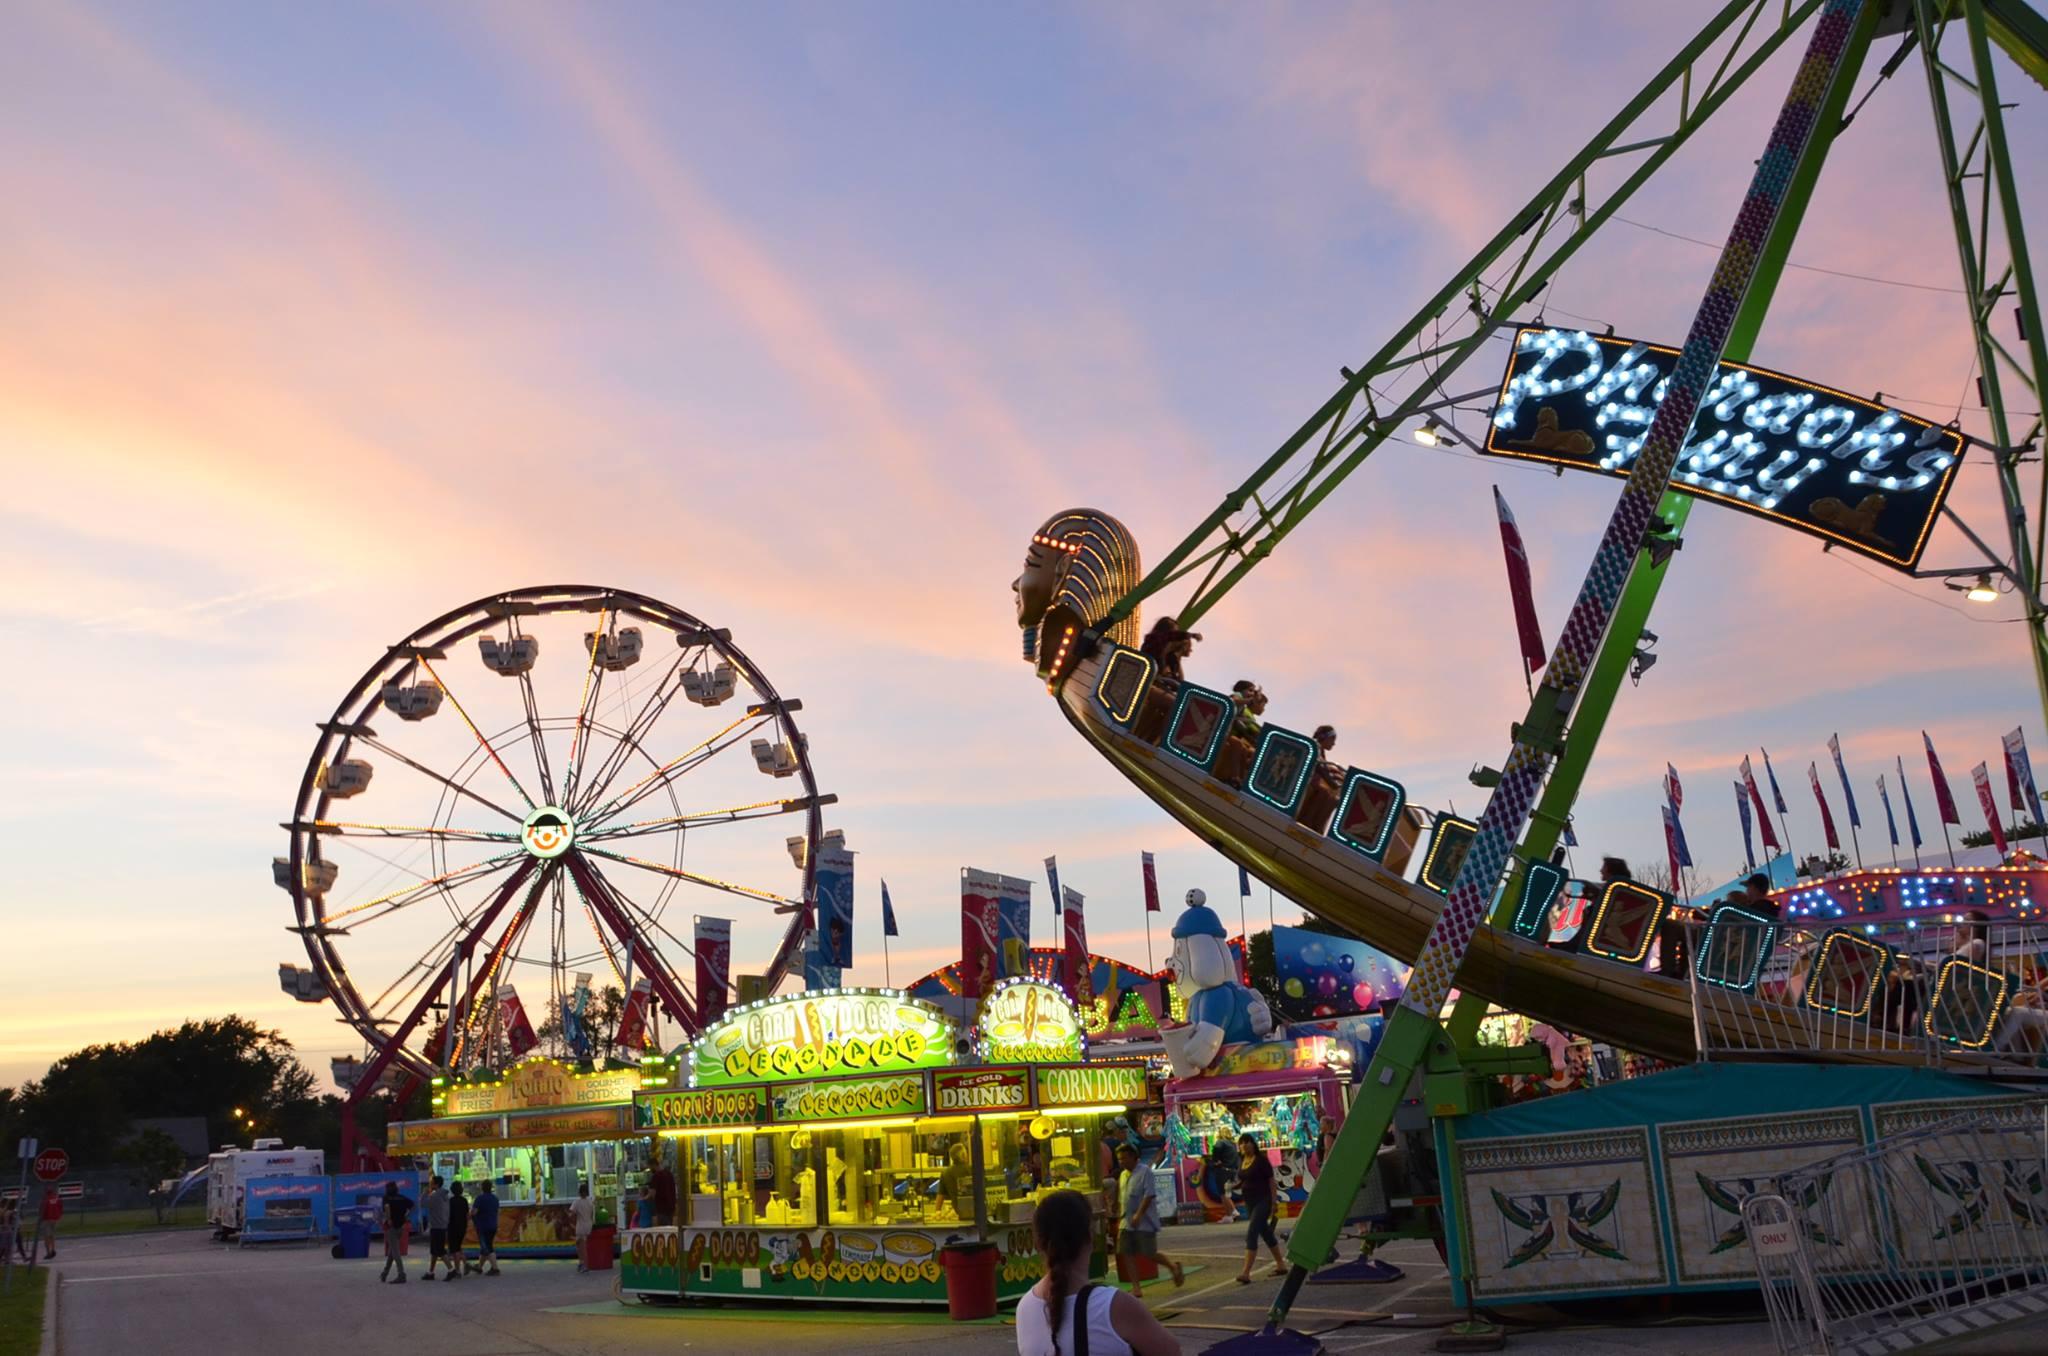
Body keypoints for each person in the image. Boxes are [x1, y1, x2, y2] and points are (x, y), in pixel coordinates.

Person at [1015, 1188, 1180, 1356]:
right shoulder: (1114, 1306)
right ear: (1090, 1237)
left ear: (1038, 1244)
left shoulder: (1025, 1308)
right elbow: (1172, 1351)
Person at [1115, 1144, 1183, 1298]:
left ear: (1133, 1157)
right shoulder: (1123, 1175)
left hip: (1144, 1221)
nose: (1121, 1162)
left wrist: (1139, 1214)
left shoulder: (1145, 1172)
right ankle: (1136, 1287)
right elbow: (1122, 1197)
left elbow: (1149, 1195)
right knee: (1126, 1253)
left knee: (1149, 1252)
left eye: (1124, 1158)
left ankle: (1172, 1266)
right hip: (1126, 1221)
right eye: (1119, 1159)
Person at [1233, 1135, 1287, 1284]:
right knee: (1266, 1232)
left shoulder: (1261, 1160)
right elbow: (1244, 1178)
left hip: (1263, 1200)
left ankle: (1246, 1272)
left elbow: (1271, 1181)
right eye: (1242, 1143)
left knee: (1252, 1233)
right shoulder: (1242, 1160)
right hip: (1249, 1202)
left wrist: (1274, 1202)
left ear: (1253, 1144)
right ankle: (1281, 1264)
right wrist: (1233, 1186)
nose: (1244, 1145)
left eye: (1247, 1142)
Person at [1139, 616, 1200, 683]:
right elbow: (1169, 635)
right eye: (1174, 632)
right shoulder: (1154, 641)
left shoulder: (1167, 654)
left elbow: (1180, 680)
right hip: (1147, 676)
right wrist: (1191, 635)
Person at [379, 1180, 414, 1284]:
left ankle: (401, 1274)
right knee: (392, 1250)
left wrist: (389, 1219)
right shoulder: (402, 1198)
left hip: (391, 1227)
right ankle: (384, 1273)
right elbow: (412, 1205)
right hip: (401, 1226)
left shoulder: (386, 1198)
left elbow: (386, 1207)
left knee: (395, 1252)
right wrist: (406, 1215)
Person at [469, 1179, 500, 1276]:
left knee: (488, 1247)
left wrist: (470, 1215)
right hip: (493, 1225)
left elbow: (474, 1212)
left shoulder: (479, 1198)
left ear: (482, 1188)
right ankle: (479, 1267)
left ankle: (495, 1268)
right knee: (485, 1247)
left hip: (483, 1226)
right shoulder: (495, 1198)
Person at [424, 1175, 450, 1279]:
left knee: (439, 1250)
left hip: (436, 1226)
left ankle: (451, 1269)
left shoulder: (434, 1196)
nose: (430, 1184)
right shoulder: (445, 1196)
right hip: (443, 1225)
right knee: (434, 1251)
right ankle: (431, 1272)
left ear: (436, 1184)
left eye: (431, 1182)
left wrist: (425, 1193)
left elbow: (422, 1203)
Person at [443, 1181, 468, 1282]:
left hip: (453, 1227)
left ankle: (457, 1271)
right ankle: (466, 1264)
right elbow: (467, 1214)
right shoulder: (464, 1201)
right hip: (462, 1227)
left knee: (455, 1250)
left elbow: (447, 1215)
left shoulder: (450, 1201)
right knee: (458, 1247)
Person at [571, 1181, 596, 1273]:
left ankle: (584, 1264)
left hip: (580, 1226)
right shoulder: (590, 1202)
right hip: (589, 1225)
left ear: (580, 1192)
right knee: (580, 1244)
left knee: (582, 1247)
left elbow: (572, 1213)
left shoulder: (577, 1202)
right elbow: (592, 1214)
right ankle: (581, 1263)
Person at [650, 1159, 677, 1228]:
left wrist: (646, 1198)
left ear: (653, 1165)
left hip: (661, 1207)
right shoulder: (669, 1174)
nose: (650, 1170)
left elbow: (652, 1193)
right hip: (671, 1206)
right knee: (669, 1227)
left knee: (663, 1229)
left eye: (650, 1167)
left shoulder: (655, 1176)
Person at [36, 1187, 61, 1259]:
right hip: (54, 1219)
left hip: (46, 1219)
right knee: (52, 1235)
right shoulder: (57, 1198)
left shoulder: (45, 1200)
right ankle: (53, 1249)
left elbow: (42, 1210)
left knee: (46, 1237)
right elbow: (60, 1207)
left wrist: (40, 1218)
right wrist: (58, 1216)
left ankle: (48, 1252)